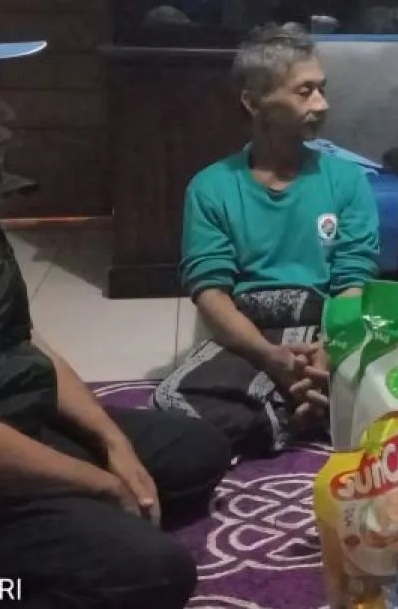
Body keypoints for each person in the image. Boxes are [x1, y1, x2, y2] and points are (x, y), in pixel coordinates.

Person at [0, 1, 229, 608]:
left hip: (10, 421)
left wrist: (112, 443)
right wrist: (99, 485)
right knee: (153, 572)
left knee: (199, 451)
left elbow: (21, 340)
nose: (8, 112)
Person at [153, 23, 380, 455]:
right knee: (172, 403)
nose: (321, 104)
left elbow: (353, 281)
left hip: (331, 325)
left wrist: (328, 354)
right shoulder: (211, 187)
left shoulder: (346, 180)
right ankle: (302, 413)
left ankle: (285, 411)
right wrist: (268, 356)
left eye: (322, 89)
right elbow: (210, 292)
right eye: (304, 92)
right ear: (253, 102)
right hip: (252, 331)